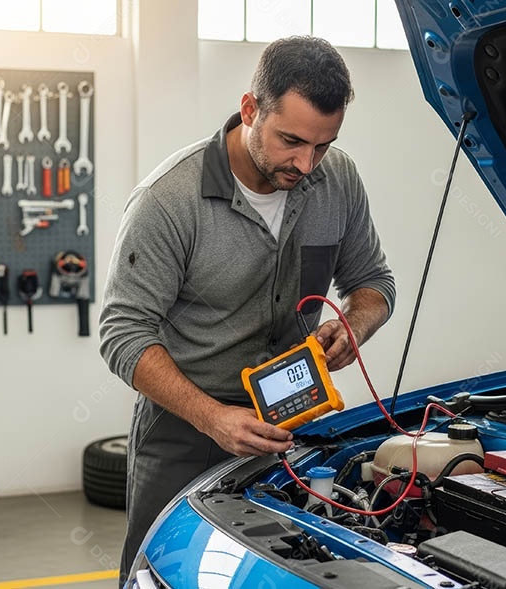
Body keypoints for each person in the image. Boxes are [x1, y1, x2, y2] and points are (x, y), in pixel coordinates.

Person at [99, 36, 396, 585]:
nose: (306, 163)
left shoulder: (338, 181)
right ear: (250, 109)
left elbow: (374, 282)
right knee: (157, 574)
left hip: (293, 420)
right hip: (185, 428)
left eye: (323, 146)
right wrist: (213, 418)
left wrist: (353, 325)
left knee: (283, 574)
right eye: (291, 141)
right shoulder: (169, 200)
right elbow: (122, 335)